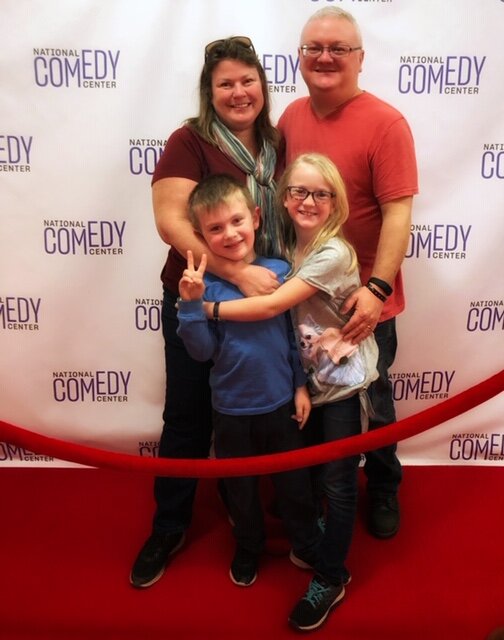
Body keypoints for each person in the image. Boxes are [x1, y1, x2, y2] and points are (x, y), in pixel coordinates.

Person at [200, 153, 379, 630]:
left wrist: (205, 311)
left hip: (341, 383)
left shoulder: (332, 252)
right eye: (298, 190)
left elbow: (271, 306)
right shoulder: (286, 248)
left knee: (340, 484)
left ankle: (331, 575)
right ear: (282, 198)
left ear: (335, 201)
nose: (308, 200)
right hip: (306, 384)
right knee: (313, 479)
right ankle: (309, 539)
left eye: (320, 193)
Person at [130, 36, 284, 589]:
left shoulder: (277, 144)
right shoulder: (188, 142)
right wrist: (237, 273)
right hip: (201, 300)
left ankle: (256, 517)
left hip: (271, 302)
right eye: (226, 84)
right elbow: (172, 223)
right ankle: (169, 526)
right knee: (189, 418)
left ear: (263, 86)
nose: (239, 92)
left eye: (248, 80)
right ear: (209, 91)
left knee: (259, 415)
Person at [277, 7, 419, 539]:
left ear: (360, 59)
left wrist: (377, 290)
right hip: (306, 300)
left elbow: (399, 214)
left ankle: (382, 488)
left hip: (363, 302)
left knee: (374, 405)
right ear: (300, 56)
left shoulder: (386, 122)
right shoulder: (290, 115)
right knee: (314, 403)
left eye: (339, 48)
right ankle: (319, 491)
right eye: (314, 47)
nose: (325, 57)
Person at [176, 173, 321, 587]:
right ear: (202, 237)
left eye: (237, 221)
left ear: (256, 217)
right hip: (231, 410)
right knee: (239, 488)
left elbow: (294, 338)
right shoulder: (206, 288)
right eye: (215, 228)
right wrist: (191, 305)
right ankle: (248, 544)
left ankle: (306, 539)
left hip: (279, 403)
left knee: (294, 483)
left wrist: (298, 386)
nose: (230, 234)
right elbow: (201, 352)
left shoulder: (279, 271)